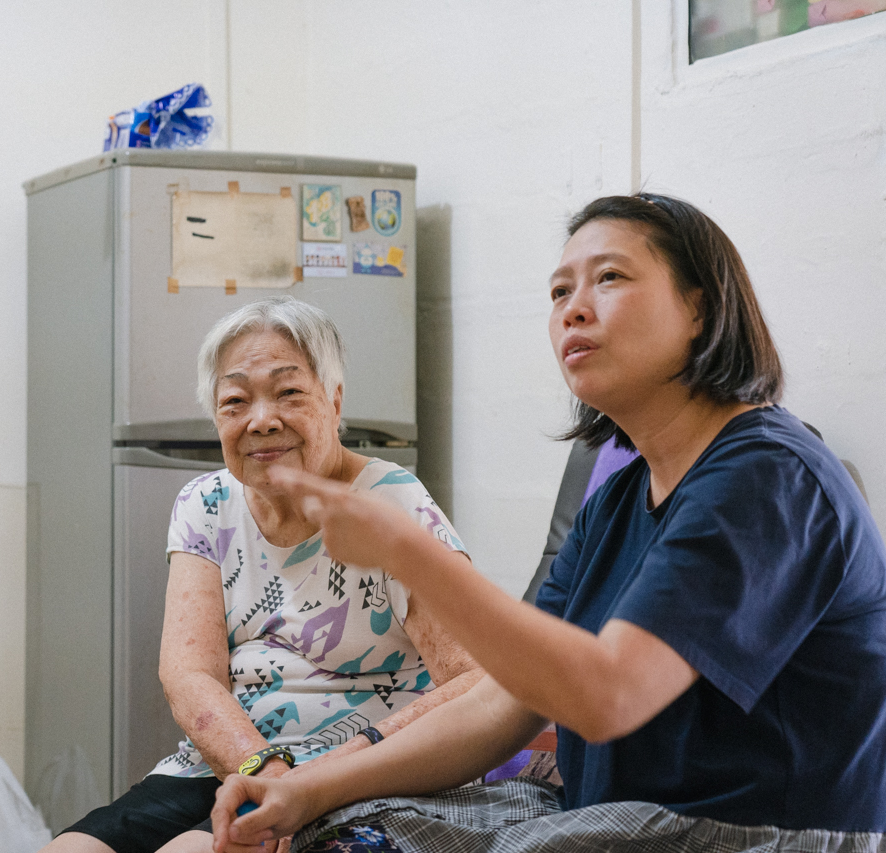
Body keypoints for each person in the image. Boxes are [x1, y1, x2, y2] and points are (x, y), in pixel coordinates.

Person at [211, 194, 886, 853]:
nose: (574, 309)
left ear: (698, 308)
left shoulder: (766, 476)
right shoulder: (619, 497)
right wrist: (308, 788)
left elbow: (606, 695)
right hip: (615, 817)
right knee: (334, 827)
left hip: (753, 832)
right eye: (559, 291)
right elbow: (505, 700)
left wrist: (406, 552)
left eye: (609, 277)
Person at [43, 297, 484, 853]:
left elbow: (472, 679)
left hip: (358, 774)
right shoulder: (205, 503)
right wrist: (266, 771)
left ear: (335, 401)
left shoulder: (392, 507)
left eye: (289, 392)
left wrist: (312, 782)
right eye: (235, 400)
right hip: (230, 758)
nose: (262, 419)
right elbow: (189, 675)